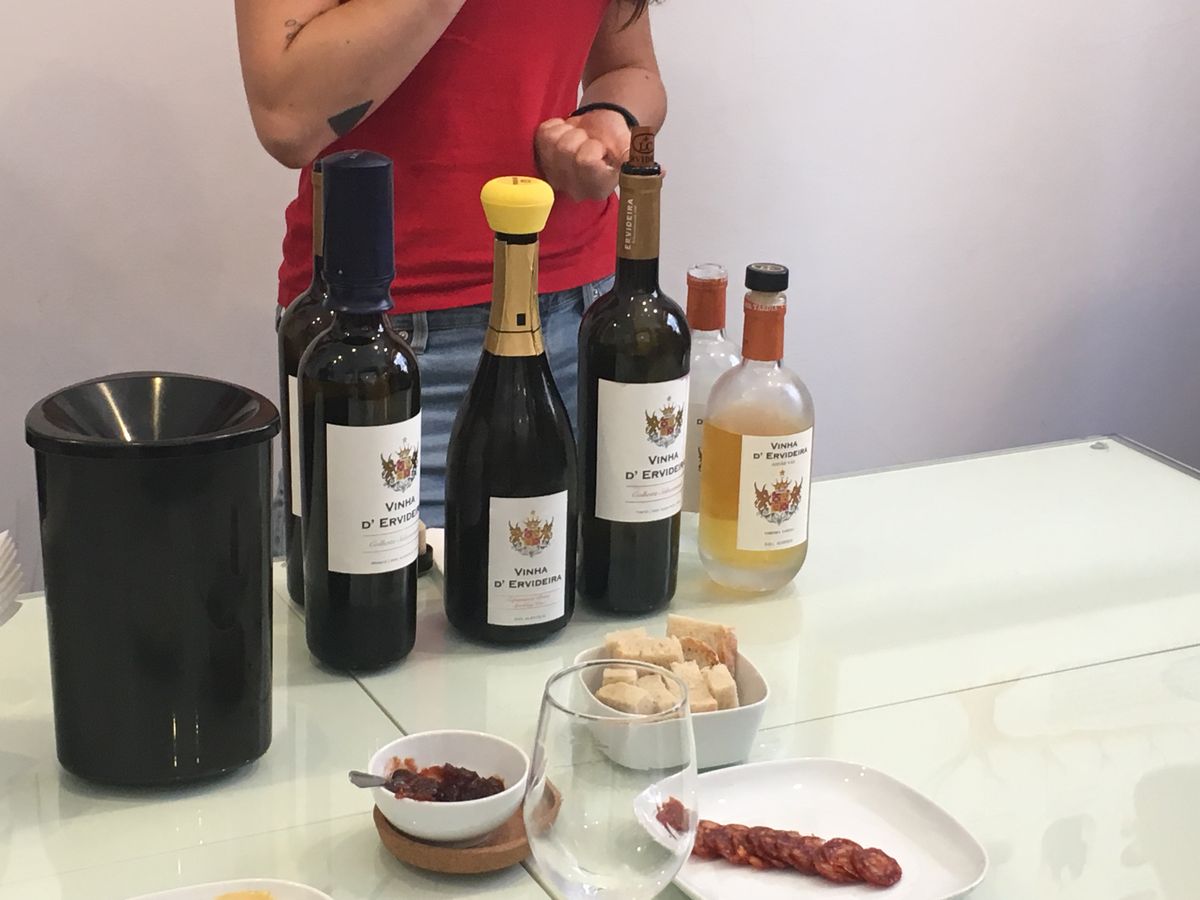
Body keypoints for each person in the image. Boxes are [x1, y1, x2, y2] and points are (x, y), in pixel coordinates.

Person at [234, 0, 667, 529]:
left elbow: (630, 67)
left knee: (617, 578)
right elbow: (287, 119)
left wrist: (608, 121)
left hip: (590, 319)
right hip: (388, 335)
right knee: (377, 582)